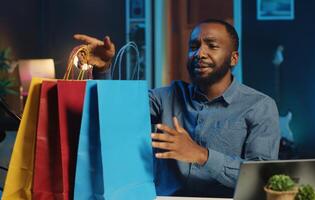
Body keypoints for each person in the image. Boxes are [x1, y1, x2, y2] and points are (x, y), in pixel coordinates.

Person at [73, 19, 280, 197]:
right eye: (193, 46)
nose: (200, 53)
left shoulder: (260, 106)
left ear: (234, 58)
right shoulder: (166, 96)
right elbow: (113, 112)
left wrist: (201, 155)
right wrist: (103, 68)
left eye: (212, 46)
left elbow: (262, 179)